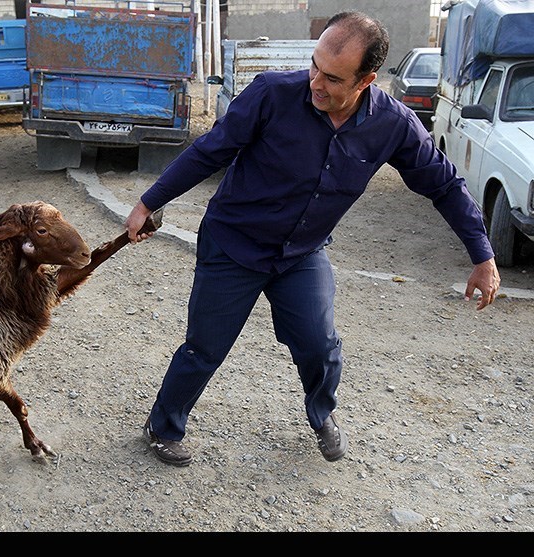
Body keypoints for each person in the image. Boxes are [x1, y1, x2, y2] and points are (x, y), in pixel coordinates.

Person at [123, 11, 501, 467]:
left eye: (333, 77)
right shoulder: (271, 94)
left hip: (301, 254)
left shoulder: (393, 125)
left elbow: (444, 184)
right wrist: (148, 202)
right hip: (233, 244)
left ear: (367, 80)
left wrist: (483, 255)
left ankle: (321, 414)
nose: (316, 82)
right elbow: (210, 150)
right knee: (205, 347)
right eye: (314, 66)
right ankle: (162, 426)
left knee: (320, 345)